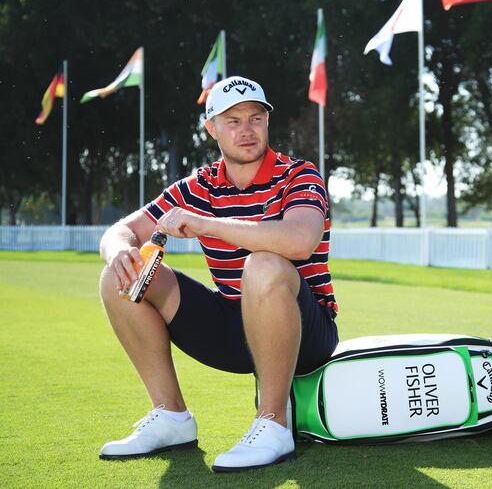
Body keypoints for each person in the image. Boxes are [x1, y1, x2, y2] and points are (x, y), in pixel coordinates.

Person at [97, 76, 338, 472]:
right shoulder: (201, 184)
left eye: (255, 118)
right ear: (212, 129)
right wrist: (120, 249)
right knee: (118, 276)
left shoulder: (299, 174)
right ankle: (172, 416)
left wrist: (208, 224)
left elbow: (299, 241)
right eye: (232, 121)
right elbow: (120, 229)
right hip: (232, 330)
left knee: (262, 262)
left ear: (266, 123)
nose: (247, 130)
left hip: (305, 333)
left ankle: (274, 422)